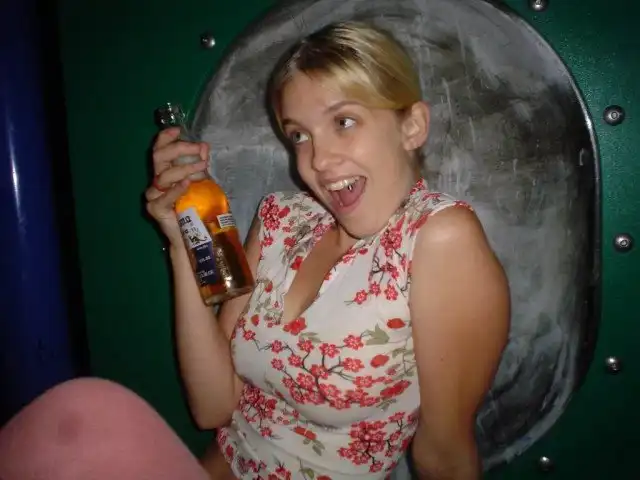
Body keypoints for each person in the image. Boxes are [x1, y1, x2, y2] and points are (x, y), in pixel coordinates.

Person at [0, 21, 509, 480]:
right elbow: (214, 406)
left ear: (412, 126)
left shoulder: (437, 237)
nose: (318, 160)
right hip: (216, 467)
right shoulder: (281, 219)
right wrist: (182, 240)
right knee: (82, 417)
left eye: (344, 121)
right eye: (299, 135)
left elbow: (443, 457)